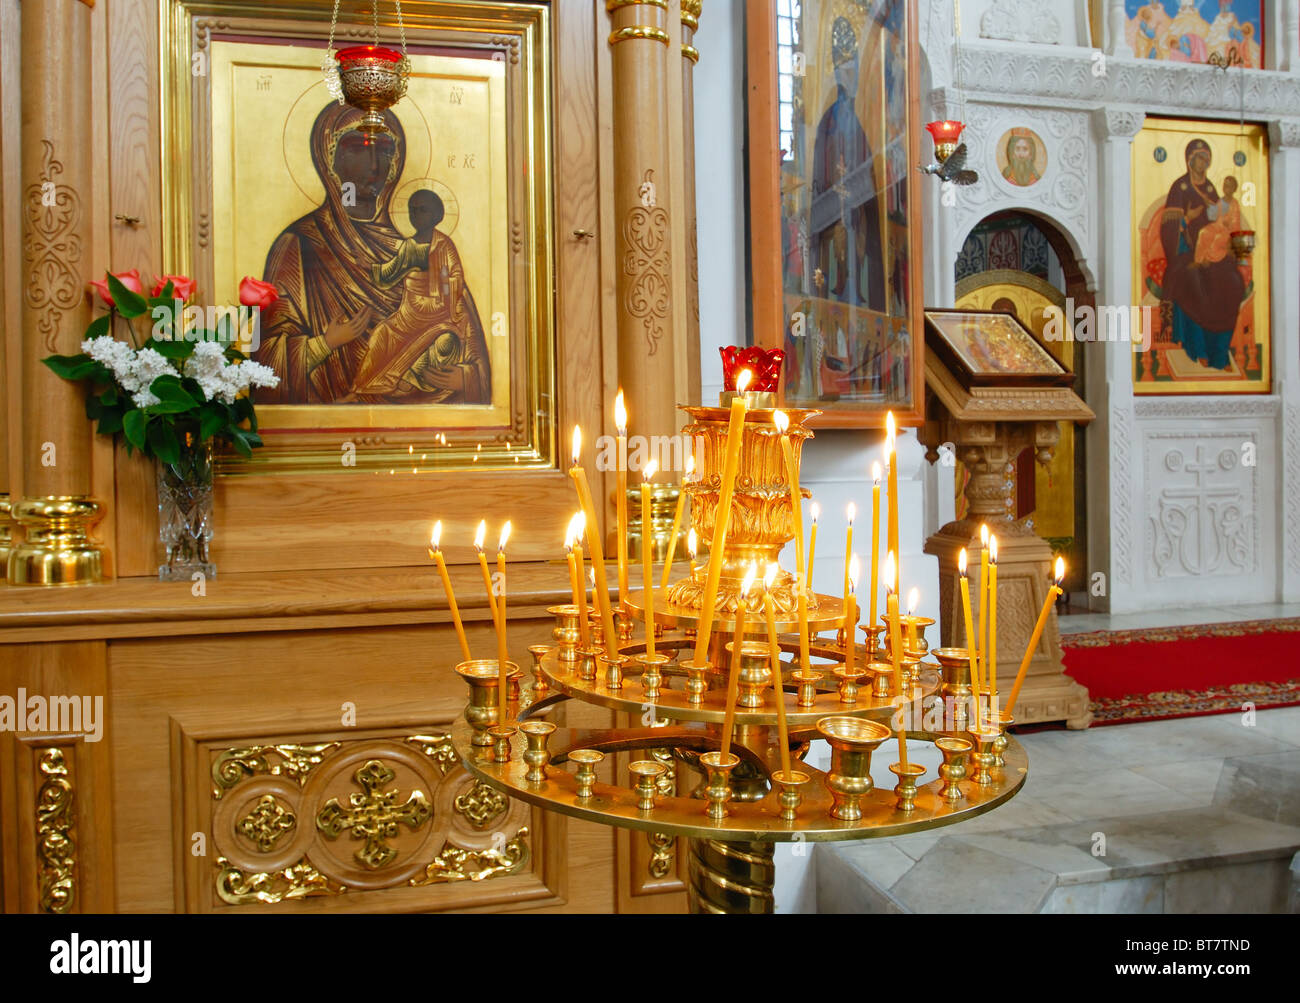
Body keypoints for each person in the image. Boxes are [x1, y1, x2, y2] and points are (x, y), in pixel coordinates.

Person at [255, 104, 407, 404]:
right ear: (328, 159)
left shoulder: (413, 252)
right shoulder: (298, 244)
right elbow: (268, 362)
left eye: (385, 150)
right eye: (357, 150)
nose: (374, 166)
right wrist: (325, 344)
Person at [350, 189, 491, 404]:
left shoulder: (444, 245)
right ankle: (361, 388)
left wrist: (445, 283)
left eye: (422, 210)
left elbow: (456, 276)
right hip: (408, 317)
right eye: (412, 210)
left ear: (437, 215)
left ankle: (408, 380)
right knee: (381, 334)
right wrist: (369, 267)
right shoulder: (409, 247)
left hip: (440, 317)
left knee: (444, 344)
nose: (415, 215)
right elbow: (389, 274)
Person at [1159, 139, 1246, 370]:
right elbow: (1167, 229)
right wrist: (1187, 218)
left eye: (1207, 159)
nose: (1203, 163)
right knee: (1195, 283)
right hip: (1186, 251)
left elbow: (1220, 220)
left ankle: (1219, 353)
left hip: (1212, 250)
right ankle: (1199, 349)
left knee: (1233, 282)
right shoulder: (1179, 187)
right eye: (1199, 158)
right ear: (1189, 160)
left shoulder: (1209, 188)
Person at [1193, 175, 1242, 266]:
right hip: (1217, 226)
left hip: (1228, 231)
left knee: (1217, 239)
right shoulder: (1221, 201)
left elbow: (1236, 223)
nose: (1226, 188)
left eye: (1229, 186)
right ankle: (1199, 260)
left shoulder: (1235, 204)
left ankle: (1208, 258)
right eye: (1225, 185)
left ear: (1234, 189)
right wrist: (1207, 203)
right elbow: (1213, 216)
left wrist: (1229, 224)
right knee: (1203, 232)